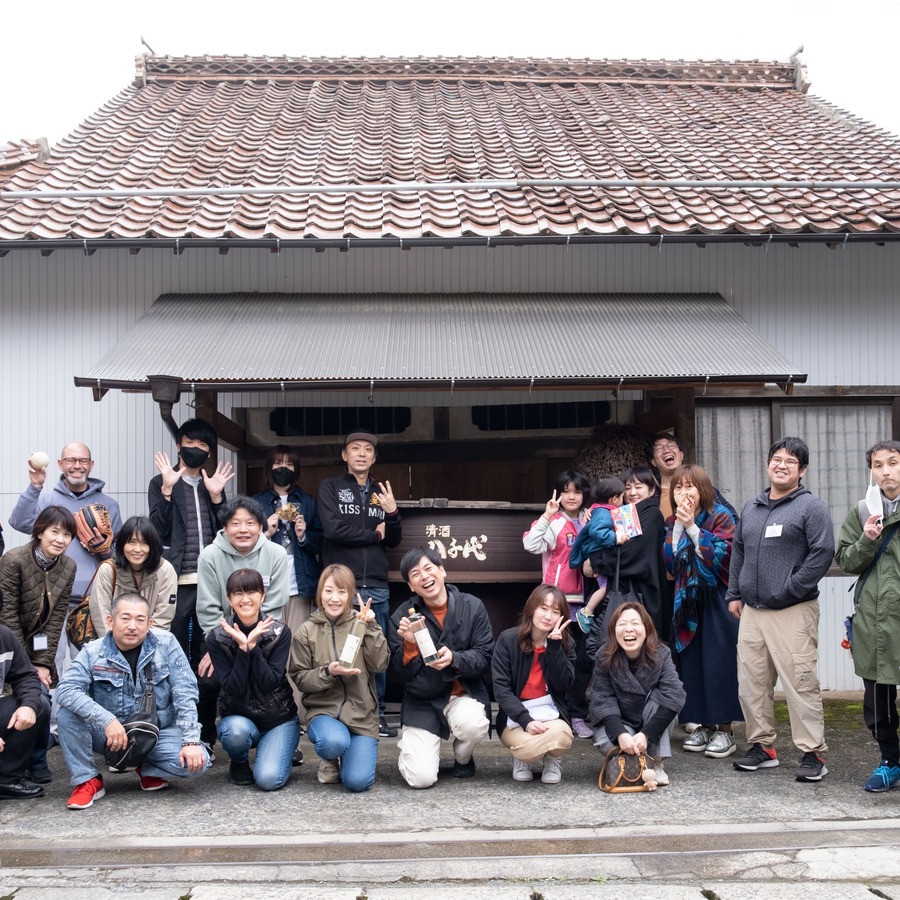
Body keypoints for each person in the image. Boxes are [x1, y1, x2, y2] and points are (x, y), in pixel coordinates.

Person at [726, 437, 834, 781]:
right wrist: (734, 593)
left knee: (799, 684)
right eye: (777, 459)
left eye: (791, 461)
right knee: (752, 683)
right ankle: (763, 747)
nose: (782, 465)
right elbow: (738, 552)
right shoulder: (752, 507)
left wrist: (789, 588)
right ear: (768, 464)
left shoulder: (810, 507)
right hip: (753, 612)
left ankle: (812, 753)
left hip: (793, 610)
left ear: (802, 470)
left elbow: (822, 553)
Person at [56, 593, 210, 809]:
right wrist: (107, 720)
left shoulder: (166, 644)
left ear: (149, 623)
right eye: (125, 618)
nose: (132, 626)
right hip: (111, 736)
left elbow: (186, 692)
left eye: (140, 620)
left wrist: (191, 741)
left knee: (199, 762)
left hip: (157, 731)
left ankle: (144, 766)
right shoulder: (93, 651)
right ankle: (87, 779)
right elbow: (65, 689)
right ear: (110, 621)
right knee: (67, 713)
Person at [149, 418, 233, 748]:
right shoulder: (161, 481)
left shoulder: (214, 484)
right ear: (179, 445)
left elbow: (228, 528)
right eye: (190, 444)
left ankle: (207, 729)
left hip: (210, 581)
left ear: (209, 452)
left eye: (202, 446)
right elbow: (156, 529)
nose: (194, 450)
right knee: (174, 654)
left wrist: (216, 498)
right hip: (176, 580)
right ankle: (177, 728)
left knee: (209, 652)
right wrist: (168, 490)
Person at [9, 442, 123, 671]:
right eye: (71, 460)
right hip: (49, 601)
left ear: (91, 465)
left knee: (91, 670)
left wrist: (105, 550)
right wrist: (34, 486)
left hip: (90, 603)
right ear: (60, 464)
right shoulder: (46, 499)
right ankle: (47, 709)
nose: (77, 466)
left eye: (82, 461)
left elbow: (121, 555)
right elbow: (19, 522)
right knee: (47, 667)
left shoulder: (108, 505)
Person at [319, 430, 401, 738]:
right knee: (339, 651)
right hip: (342, 586)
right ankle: (338, 712)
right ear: (345, 455)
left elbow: (394, 539)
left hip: (377, 584)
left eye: (368, 449)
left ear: (374, 457)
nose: (362, 454)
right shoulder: (331, 487)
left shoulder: (382, 492)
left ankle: (376, 714)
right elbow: (333, 529)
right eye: (355, 449)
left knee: (374, 652)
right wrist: (374, 535)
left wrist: (392, 514)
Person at [389, 547, 493, 789]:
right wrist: (409, 645)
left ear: (442, 570)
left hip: (462, 694)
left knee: (474, 724)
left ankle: (462, 757)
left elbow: (486, 656)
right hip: (422, 699)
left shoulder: (472, 606)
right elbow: (397, 673)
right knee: (421, 779)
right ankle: (414, 746)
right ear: (411, 586)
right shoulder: (403, 616)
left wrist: (455, 659)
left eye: (429, 568)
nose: (424, 577)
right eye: (415, 574)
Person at [663, 465, 742, 759]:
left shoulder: (720, 516)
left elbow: (724, 559)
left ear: (703, 489)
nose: (684, 493)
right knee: (692, 663)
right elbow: (671, 563)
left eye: (690, 487)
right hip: (688, 601)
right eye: (679, 488)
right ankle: (702, 726)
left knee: (719, 662)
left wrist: (694, 528)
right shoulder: (673, 521)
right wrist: (680, 527)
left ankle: (724, 729)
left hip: (719, 599)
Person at [835, 440, 900, 792]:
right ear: (871, 471)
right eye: (878, 464)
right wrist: (867, 539)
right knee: (878, 700)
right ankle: (890, 761)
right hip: (874, 621)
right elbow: (845, 561)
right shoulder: (863, 511)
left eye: (893, 462)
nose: (886, 470)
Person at [291, 564, 389, 792]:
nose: (334, 598)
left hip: (361, 715)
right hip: (323, 712)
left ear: (351, 595)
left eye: (342, 592)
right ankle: (330, 757)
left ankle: (348, 757)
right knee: (333, 742)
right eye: (328, 591)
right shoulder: (307, 630)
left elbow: (380, 664)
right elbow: (299, 677)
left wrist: (372, 626)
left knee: (357, 782)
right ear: (320, 594)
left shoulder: (362, 623)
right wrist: (328, 672)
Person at [0, 506, 77, 783]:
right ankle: (25, 763)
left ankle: (38, 761)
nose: (60, 539)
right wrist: (26, 664)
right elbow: (7, 616)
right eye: (54, 531)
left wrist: (43, 664)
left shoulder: (68, 566)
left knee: (43, 692)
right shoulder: (14, 560)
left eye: (67, 534)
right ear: (40, 531)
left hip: (40, 642)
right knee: (30, 696)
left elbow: (56, 619)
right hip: (11, 642)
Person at [205, 569, 300, 791]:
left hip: (278, 719)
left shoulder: (280, 632)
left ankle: (279, 751)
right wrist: (242, 649)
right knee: (234, 732)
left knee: (268, 780)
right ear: (229, 599)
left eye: (252, 592)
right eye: (238, 593)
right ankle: (238, 760)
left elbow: (269, 682)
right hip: (240, 719)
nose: (245, 599)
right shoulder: (216, 637)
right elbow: (233, 688)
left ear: (262, 596)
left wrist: (253, 647)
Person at [522, 470, 592, 739]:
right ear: (558, 494)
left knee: (583, 662)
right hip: (557, 603)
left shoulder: (588, 520)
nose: (571, 496)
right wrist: (547, 515)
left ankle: (576, 715)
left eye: (576, 491)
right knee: (555, 658)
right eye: (566, 491)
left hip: (587, 604)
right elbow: (530, 544)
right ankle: (556, 714)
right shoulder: (554, 522)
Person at [589, 602, 686, 786]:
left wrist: (646, 735)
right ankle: (632, 756)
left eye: (635, 623)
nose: (629, 629)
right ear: (613, 630)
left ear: (646, 629)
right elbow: (602, 699)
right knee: (606, 743)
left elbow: (676, 695)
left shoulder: (661, 653)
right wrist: (620, 734)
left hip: (649, 720)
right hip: (620, 719)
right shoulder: (604, 655)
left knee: (663, 699)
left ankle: (655, 762)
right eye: (622, 624)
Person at [491, 584, 575, 784]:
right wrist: (526, 721)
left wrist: (554, 648)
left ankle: (553, 759)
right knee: (529, 750)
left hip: (552, 716)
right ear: (531, 609)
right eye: (543, 608)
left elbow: (564, 686)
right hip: (516, 717)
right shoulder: (508, 640)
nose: (548, 616)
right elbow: (501, 690)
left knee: (563, 735)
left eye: (555, 612)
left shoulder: (566, 644)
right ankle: (524, 759)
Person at [590, 466, 668, 640]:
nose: (632, 492)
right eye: (627, 487)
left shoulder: (652, 514)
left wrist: (596, 560)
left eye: (639, 487)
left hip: (643, 591)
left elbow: (631, 554)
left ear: (652, 490)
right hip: (623, 588)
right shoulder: (622, 514)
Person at [89, 516, 178, 636]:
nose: (137, 549)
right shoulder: (107, 570)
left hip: (150, 645)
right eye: (131, 542)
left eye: (144, 543)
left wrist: (143, 649)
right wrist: (115, 647)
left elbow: (163, 618)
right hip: (112, 643)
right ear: (122, 544)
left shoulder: (165, 570)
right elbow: (100, 615)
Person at [0, 606, 51, 800]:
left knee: (39, 704)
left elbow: (26, 676)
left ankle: (6, 781)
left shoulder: (4, 636)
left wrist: (28, 705)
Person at [569, 475, 629, 627]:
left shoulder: (598, 510)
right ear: (614, 499)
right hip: (596, 555)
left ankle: (590, 604)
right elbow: (598, 532)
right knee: (604, 587)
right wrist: (616, 537)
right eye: (622, 497)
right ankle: (586, 612)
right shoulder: (604, 513)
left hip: (596, 555)